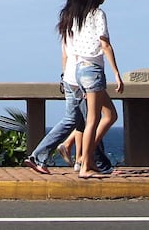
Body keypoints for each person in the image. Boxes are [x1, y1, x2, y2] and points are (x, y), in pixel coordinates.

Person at [62, 0, 123, 179]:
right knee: (94, 119)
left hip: (79, 70)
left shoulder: (78, 15)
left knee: (110, 115)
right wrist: (116, 73)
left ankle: (85, 159)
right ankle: (85, 164)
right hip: (93, 70)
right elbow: (104, 44)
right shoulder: (97, 14)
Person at [23, 39, 113, 175]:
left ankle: (40, 156)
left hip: (69, 79)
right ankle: (95, 162)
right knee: (92, 120)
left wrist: (64, 77)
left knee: (75, 120)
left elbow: (64, 55)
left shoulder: (67, 28)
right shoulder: (82, 26)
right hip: (81, 80)